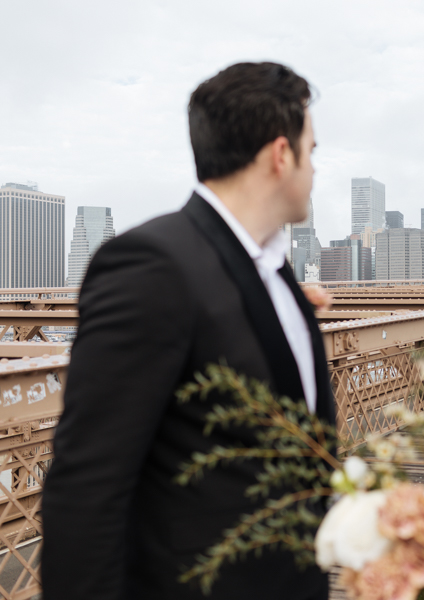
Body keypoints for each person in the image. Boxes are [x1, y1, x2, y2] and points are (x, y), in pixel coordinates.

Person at [42, 62, 335, 600]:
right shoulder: (151, 264)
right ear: (280, 155)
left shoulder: (275, 271)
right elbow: (88, 486)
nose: (315, 169)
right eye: (311, 151)